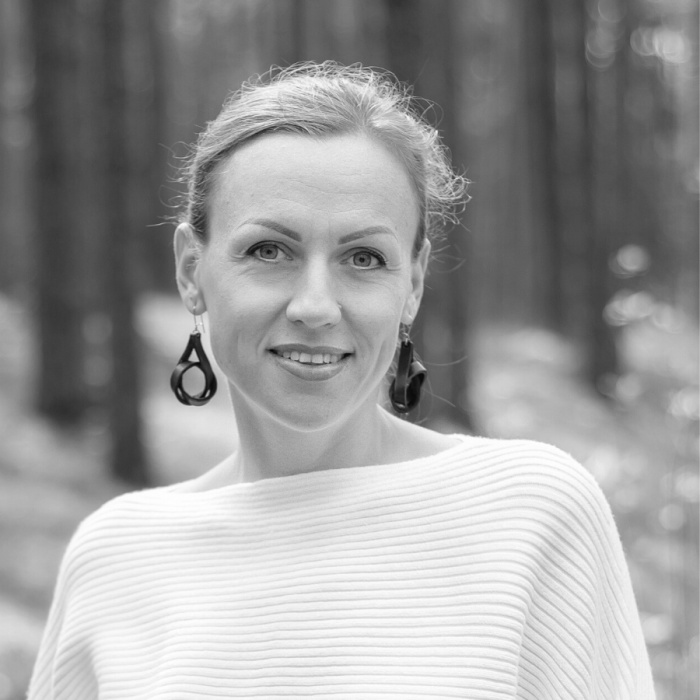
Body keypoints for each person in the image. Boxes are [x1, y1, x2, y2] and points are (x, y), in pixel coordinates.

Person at [28, 62, 656, 699]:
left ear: (413, 283)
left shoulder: (531, 512)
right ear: (192, 270)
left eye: (364, 258)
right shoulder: (113, 558)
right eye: (269, 250)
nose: (315, 306)